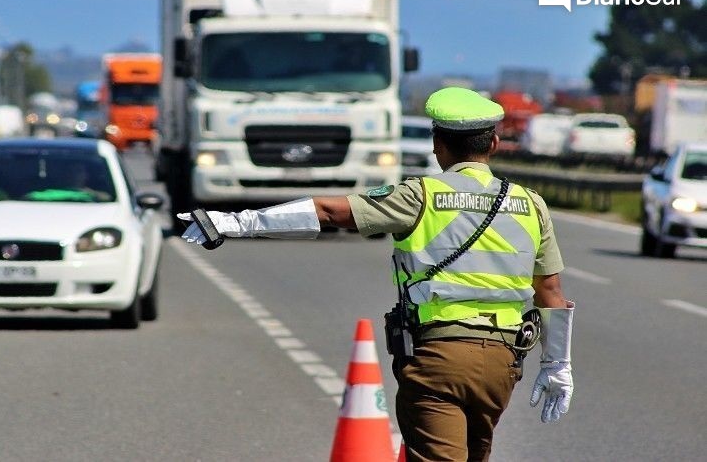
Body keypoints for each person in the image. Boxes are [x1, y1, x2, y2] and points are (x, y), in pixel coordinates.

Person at [180, 87, 574, 461]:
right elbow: (551, 291)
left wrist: (234, 222)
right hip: (502, 364)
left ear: (437, 145)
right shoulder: (530, 204)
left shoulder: (421, 195)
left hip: (440, 356)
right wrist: (557, 364)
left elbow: (329, 211)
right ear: (493, 143)